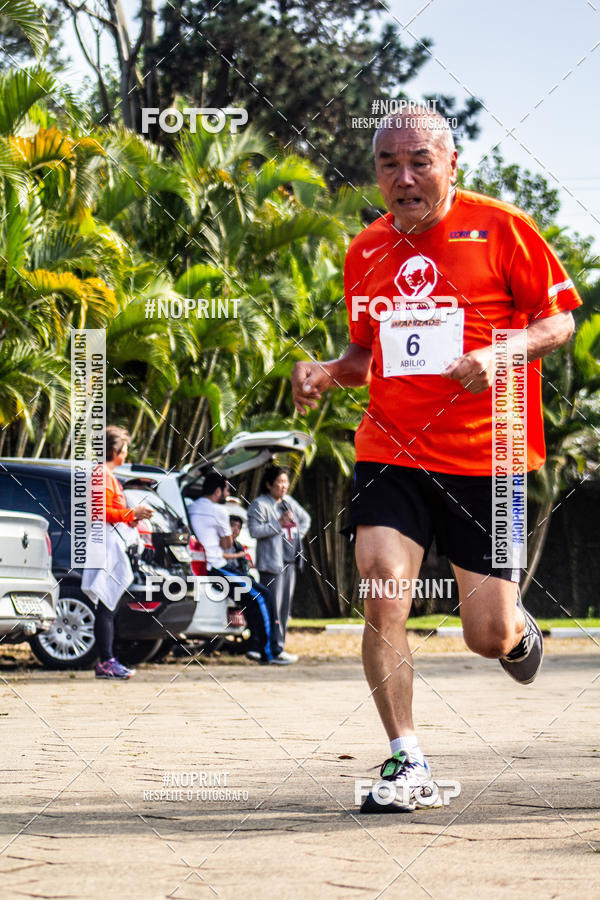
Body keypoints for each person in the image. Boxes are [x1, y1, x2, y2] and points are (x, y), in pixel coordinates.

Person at [291, 107, 581, 812]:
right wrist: (327, 370)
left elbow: (560, 321)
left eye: (420, 160)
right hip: (392, 447)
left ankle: (516, 630)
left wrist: (500, 352)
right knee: (382, 584)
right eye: (389, 163)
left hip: (490, 455)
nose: (405, 177)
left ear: (453, 165)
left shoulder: (503, 229)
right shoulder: (365, 249)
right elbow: (367, 356)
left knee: (487, 635)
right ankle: (406, 758)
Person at [82, 425, 154, 679]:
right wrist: (132, 514)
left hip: (111, 541)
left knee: (108, 604)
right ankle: (106, 661)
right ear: (114, 450)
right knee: (106, 603)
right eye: (125, 449)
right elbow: (99, 511)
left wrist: (131, 519)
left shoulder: (108, 475)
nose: (127, 454)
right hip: (105, 544)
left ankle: (107, 659)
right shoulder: (102, 474)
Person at [188, 473, 276, 664]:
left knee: (250, 600)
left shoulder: (191, 507)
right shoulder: (218, 511)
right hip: (218, 567)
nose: (227, 493)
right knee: (262, 596)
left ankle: (255, 648)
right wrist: (221, 538)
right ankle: (272, 651)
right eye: (227, 489)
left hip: (207, 566)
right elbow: (228, 543)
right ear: (218, 491)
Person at [247, 467, 311, 664]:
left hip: (289, 562)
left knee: (284, 608)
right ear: (268, 484)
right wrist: (278, 523)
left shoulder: (288, 502)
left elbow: (305, 519)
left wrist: (296, 534)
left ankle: (278, 646)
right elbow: (254, 531)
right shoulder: (260, 504)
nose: (284, 486)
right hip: (271, 564)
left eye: (286, 482)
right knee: (271, 608)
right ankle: (268, 647)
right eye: (279, 482)